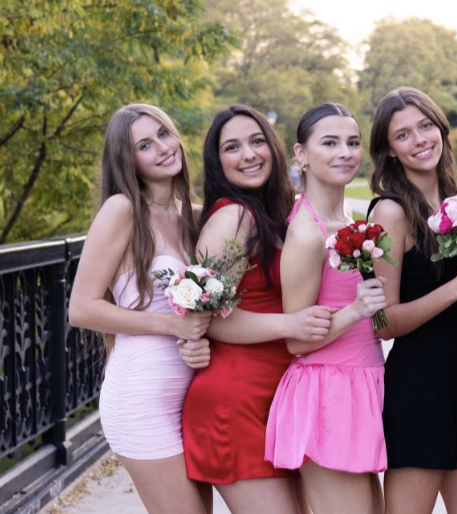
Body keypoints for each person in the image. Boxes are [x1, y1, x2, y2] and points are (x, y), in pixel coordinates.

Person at [180, 105, 335, 513]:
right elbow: (208, 319)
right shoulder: (233, 216)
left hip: (277, 396)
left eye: (256, 141)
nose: (248, 154)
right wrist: (293, 323)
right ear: (218, 161)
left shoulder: (276, 213)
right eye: (233, 147)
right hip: (235, 399)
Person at [69, 103, 214, 513]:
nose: (164, 148)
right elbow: (81, 308)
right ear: (127, 159)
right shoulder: (123, 210)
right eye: (145, 145)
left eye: (165, 134)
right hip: (141, 399)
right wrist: (169, 325)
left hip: (190, 398)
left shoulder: (195, 217)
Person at [368, 86, 457, 514]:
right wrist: (456, 289)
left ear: (441, 128)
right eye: (404, 134)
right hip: (418, 388)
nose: (420, 140)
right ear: (389, 149)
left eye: (425, 126)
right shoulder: (390, 212)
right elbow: (381, 322)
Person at [265, 102, 387, 514]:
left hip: (360, 383)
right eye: (330, 143)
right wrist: (355, 311)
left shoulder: (349, 216)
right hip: (328, 393)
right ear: (301, 154)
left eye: (352, 143)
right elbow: (295, 342)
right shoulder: (306, 232)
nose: (345, 153)